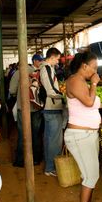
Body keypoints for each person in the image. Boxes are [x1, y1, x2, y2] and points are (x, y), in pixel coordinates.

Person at [65, 52, 102, 202]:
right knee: (91, 176)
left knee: (91, 174)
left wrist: (98, 118)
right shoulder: (74, 81)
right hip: (80, 136)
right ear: (84, 66)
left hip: (88, 134)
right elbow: (88, 102)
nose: (95, 71)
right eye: (94, 68)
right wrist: (94, 83)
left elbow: (89, 106)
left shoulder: (81, 81)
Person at [9, 58, 43, 167]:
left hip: (23, 108)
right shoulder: (36, 72)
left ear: (19, 66)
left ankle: (20, 160)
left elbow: (12, 90)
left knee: (23, 134)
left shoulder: (18, 73)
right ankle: (36, 159)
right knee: (36, 134)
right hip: (36, 107)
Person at [40, 48, 64, 177]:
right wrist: (64, 96)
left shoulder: (49, 68)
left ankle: (49, 166)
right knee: (54, 140)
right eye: (57, 58)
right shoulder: (46, 68)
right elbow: (50, 91)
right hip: (52, 108)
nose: (58, 61)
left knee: (50, 139)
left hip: (51, 108)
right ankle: (51, 168)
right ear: (52, 57)